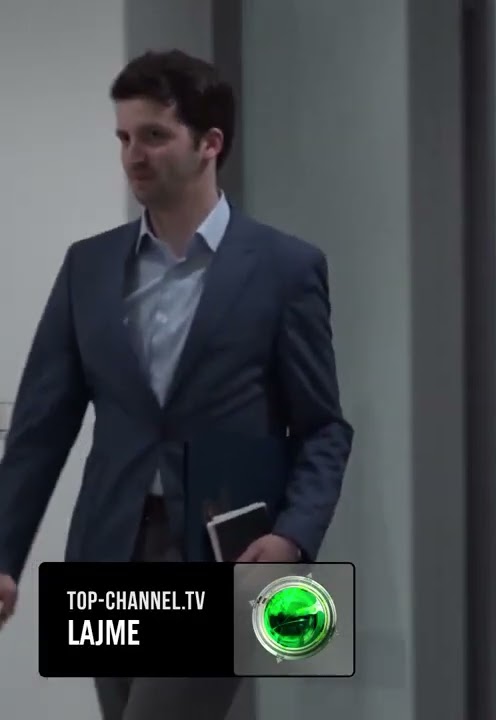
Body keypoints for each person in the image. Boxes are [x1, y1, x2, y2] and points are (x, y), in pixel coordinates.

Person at [0, 50, 353, 720]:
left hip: (225, 554)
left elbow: (323, 428)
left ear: (209, 143)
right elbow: (41, 430)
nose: (134, 155)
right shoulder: (88, 267)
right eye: (124, 137)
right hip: (108, 548)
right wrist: (5, 553)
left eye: (155, 136)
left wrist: (294, 536)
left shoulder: (285, 268)